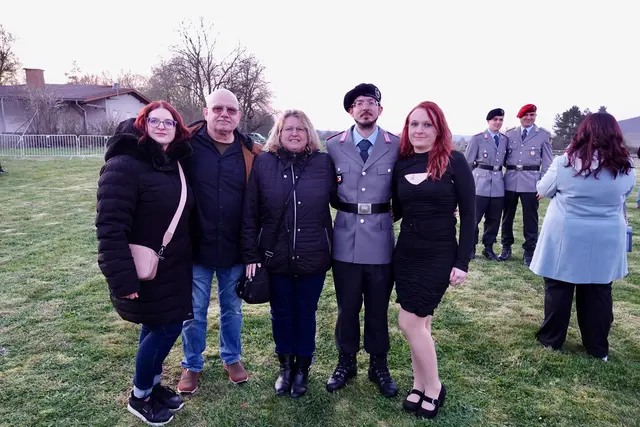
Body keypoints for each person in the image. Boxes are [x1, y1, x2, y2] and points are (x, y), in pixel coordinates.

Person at [96, 101, 194, 426]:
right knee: (167, 328)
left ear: (177, 129)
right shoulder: (124, 166)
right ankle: (140, 397)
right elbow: (110, 228)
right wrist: (122, 279)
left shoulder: (173, 164)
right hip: (143, 269)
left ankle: (152, 386)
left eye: (169, 122)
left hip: (173, 268)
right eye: (155, 120)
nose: (162, 126)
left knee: (155, 326)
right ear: (143, 124)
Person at [241, 109, 335, 398]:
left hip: (313, 253)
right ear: (278, 134)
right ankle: (285, 367)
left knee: (305, 313)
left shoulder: (323, 163)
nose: (294, 133)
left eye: (300, 128)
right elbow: (250, 211)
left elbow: (343, 197)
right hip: (275, 255)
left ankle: (302, 368)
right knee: (281, 313)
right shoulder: (264, 163)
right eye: (288, 129)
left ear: (309, 133)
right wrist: (251, 254)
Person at [392, 101, 475, 419]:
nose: (419, 130)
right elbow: (397, 210)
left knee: (409, 322)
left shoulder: (454, 161)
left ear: (439, 128)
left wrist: (462, 262)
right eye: (413, 124)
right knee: (421, 323)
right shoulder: (402, 163)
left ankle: (435, 387)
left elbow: (470, 216)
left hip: (439, 253)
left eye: (426, 124)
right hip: (406, 253)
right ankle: (419, 383)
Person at [530, 112, 636, 361]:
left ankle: (551, 340)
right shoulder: (625, 166)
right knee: (599, 291)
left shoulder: (564, 163)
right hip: (606, 235)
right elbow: (626, 192)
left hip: (567, 234)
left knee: (559, 287)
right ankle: (597, 347)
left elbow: (543, 189)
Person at [178, 88, 262, 394]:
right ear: (206, 112)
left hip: (234, 247)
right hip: (195, 246)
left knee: (232, 309)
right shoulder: (185, 146)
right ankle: (192, 364)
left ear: (239, 116)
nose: (224, 114)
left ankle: (232, 357)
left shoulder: (251, 153)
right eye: (218, 109)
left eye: (231, 110)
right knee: (194, 311)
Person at [324, 83, 400, 397]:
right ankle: (346, 361)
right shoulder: (333, 146)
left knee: (378, 307)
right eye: (359, 103)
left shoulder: (396, 145)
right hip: (345, 238)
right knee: (347, 306)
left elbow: (403, 191)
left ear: (380, 109)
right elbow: (328, 190)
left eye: (371, 102)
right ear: (350, 110)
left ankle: (378, 365)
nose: (365, 107)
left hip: (380, 240)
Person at [499, 104, 553, 265]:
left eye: (532, 115)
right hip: (510, 180)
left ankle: (529, 251)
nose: (529, 118)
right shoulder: (509, 134)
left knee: (531, 218)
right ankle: (506, 247)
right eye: (526, 115)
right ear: (520, 117)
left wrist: (543, 186)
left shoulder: (543, 135)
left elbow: (547, 163)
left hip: (531, 182)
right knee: (507, 216)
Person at [464, 108, 509, 261]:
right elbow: (468, 163)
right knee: (474, 218)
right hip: (479, 183)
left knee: (494, 219)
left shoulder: (504, 140)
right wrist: (467, 184)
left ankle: (488, 247)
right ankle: (470, 247)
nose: (498, 122)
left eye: (501, 120)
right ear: (488, 121)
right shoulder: (478, 139)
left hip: (497, 184)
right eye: (495, 119)